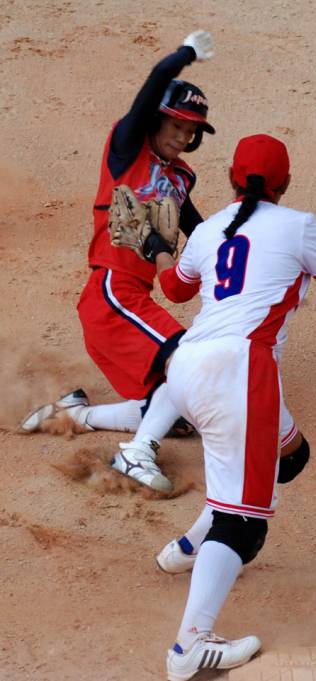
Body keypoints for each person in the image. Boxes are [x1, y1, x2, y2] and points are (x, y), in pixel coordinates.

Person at [124, 133, 316, 679]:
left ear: (232, 179)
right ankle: (190, 646)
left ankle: (189, 546)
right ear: (286, 183)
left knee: (290, 457)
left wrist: (158, 245)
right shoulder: (298, 224)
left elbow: (177, 289)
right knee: (245, 526)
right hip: (240, 374)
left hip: (187, 368)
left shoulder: (209, 230)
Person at [20, 31, 215, 492]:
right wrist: (183, 55)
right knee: (187, 364)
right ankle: (135, 456)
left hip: (131, 301)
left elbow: (202, 234)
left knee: (179, 410)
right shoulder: (126, 149)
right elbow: (153, 84)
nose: (184, 138)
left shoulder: (181, 176)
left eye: (192, 132)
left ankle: (75, 414)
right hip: (110, 292)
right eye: (177, 127)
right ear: (156, 121)